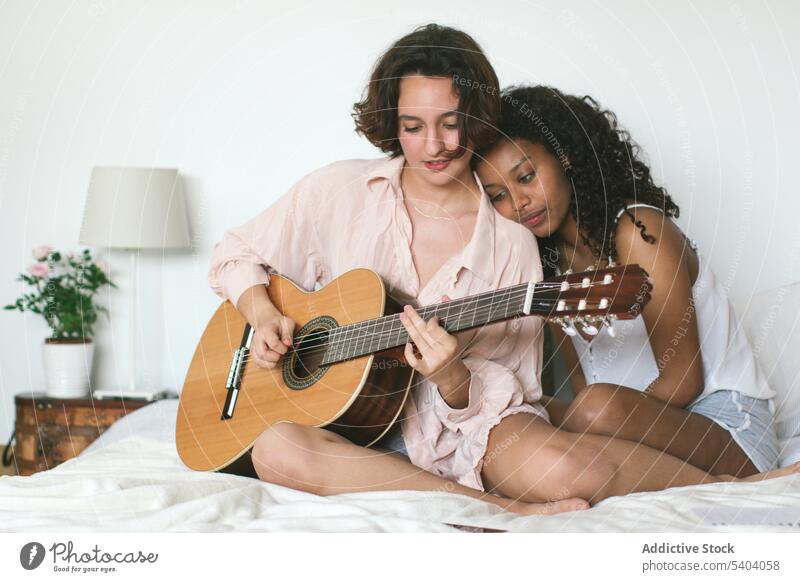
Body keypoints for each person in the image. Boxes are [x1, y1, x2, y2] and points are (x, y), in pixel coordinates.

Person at [208, 27, 796, 517]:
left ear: (476, 118)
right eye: (413, 126)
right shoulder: (338, 190)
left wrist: (453, 378)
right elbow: (234, 253)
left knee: (573, 449)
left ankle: (738, 485)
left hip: (472, 431)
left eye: (450, 123)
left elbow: (523, 393)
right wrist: (261, 313)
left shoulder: (519, 243)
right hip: (355, 425)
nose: (432, 145)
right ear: (393, 123)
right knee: (274, 446)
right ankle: (496, 508)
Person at [475, 85, 781, 477]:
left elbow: (684, 381)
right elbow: (586, 384)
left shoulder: (638, 231)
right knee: (507, 407)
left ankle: (757, 480)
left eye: (527, 176)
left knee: (591, 408)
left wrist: (594, 418)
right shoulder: (546, 267)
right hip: (628, 429)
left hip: (723, 429)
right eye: (498, 195)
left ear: (565, 157)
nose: (518, 202)